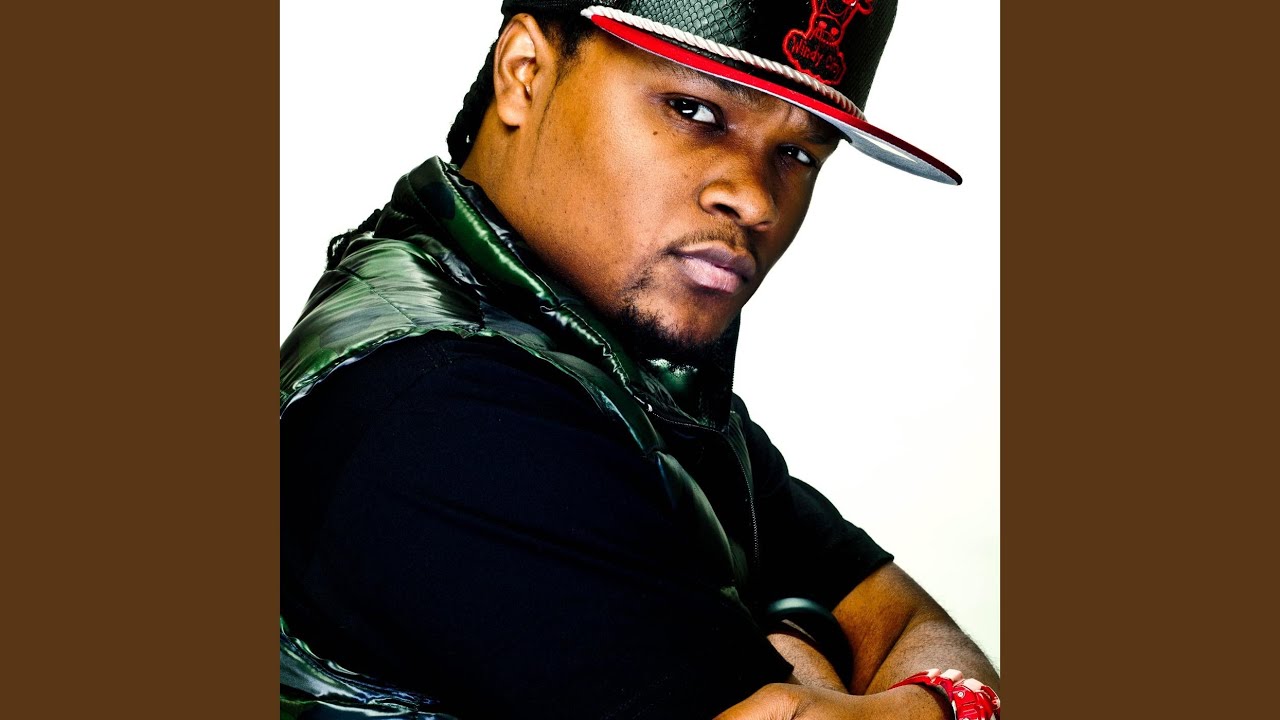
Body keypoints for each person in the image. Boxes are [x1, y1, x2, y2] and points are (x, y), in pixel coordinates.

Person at [280, 2, 999, 718]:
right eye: (694, 110)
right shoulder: (444, 408)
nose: (756, 201)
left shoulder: (629, 376)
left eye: (799, 153)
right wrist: (832, 655)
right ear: (524, 74)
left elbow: (904, 624)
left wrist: (907, 688)